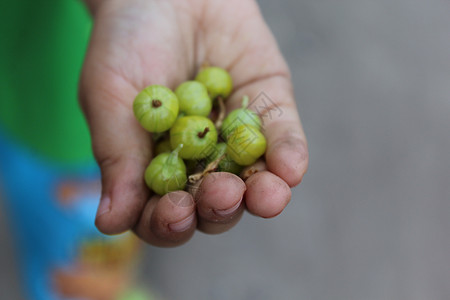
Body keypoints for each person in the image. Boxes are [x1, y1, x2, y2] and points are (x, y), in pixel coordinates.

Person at [0, 0, 308, 299]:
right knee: (72, 235)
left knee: (101, 228)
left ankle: (106, 285)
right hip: (46, 106)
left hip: (61, 57)